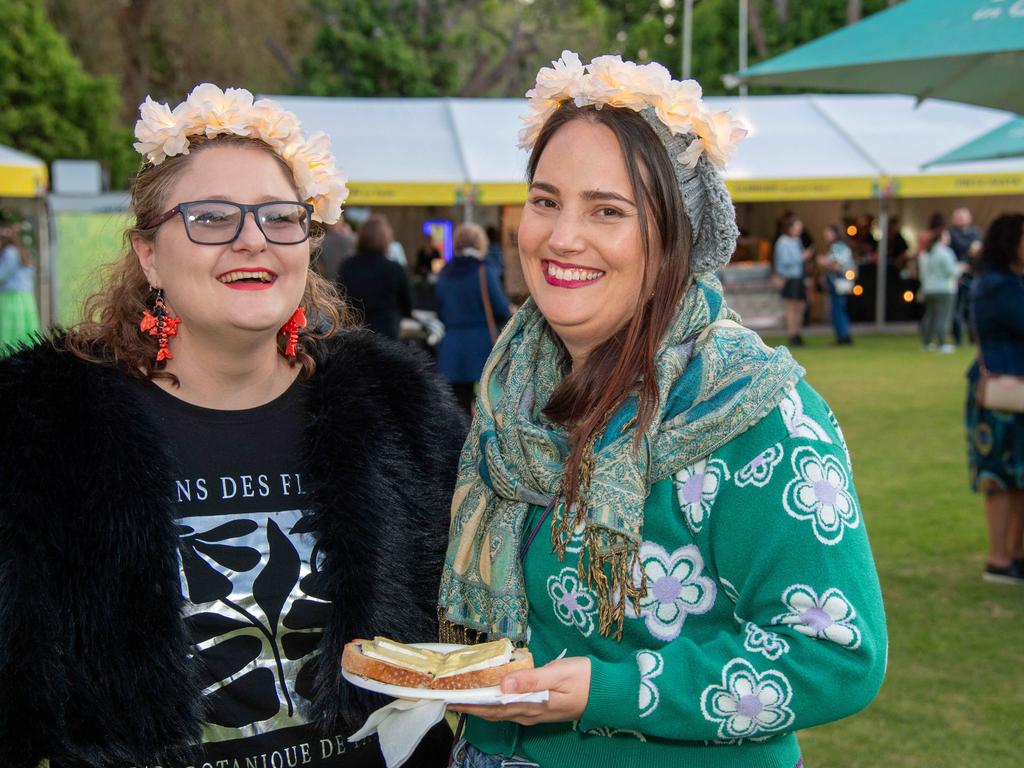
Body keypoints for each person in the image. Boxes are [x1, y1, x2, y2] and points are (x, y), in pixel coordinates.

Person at [438, 52, 887, 768]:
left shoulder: (757, 412)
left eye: (607, 210)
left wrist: (614, 689)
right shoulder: (510, 390)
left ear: (673, 238)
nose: (560, 237)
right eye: (546, 200)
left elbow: (836, 652)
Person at [0, 84, 464, 768]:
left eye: (280, 217)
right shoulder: (42, 429)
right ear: (150, 253)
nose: (252, 240)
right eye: (211, 218)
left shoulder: (398, 415)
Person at [967, 213, 1024, 584]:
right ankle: (999, 558)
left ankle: (1016, 553)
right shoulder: (995, 285)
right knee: (1000, 475)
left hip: (1013, 387)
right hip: (1002, 393)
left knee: (1019, 475)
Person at [435, 222, 512, 414]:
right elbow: (502, 309)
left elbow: (440, 312)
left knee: (457, 409)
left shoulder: (444, 273)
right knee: (487, 407)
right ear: (480, 243)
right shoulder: (484, 270)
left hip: (451, 347)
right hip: (481, 345)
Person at [338, 214, 413, 339]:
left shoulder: (347, 265)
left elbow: (340, 299)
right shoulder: (394, 268)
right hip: (386, 334)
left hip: (355, 334)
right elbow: (407, 306)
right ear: (386, 239)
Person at [0, 221, 40, 353]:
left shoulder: (10, 252)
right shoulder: (21, 251)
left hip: (11, 299)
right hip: (25, 298)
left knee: (8, 337)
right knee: (23, 336)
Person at [919, 227, 960, 353]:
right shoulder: (945, 252)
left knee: (929, 316)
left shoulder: (925, 253)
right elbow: (951, 271)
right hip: (944, 289)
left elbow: (922, 273)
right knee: (943, 317)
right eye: (946, 236)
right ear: (941, 238)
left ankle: (926, 342)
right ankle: (942, 343)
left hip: (929, 289)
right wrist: (961, 268)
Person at [774, 213, 810, 346]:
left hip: (799, 277)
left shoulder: (797, 241)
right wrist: (801, 257)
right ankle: (792, 334)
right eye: (797, 227)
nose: (799, 230)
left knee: (800, 306)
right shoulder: (783, 241)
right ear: (789, 227)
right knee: (791, 307)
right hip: (790, 278)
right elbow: (784, 261)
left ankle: (797, 332)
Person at [949, 207, 983, 346]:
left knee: (972, 309)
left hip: (973, 275)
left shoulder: (976, 232)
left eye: (964, 216)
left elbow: (981, 250)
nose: (961, 219)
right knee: (957, 310)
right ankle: (957, 339)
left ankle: (973, 338)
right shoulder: (950, 233)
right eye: (959, 216)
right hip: (956, 276)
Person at [818, 224, 855, 345]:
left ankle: (843, 336)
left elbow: (837, 264)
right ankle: (843, 334)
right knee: (840, 308)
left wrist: (823, 262)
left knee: (838, 308)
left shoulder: (838, 247)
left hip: (839, 280)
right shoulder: (840, 247)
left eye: (828, 232)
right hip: (838, 280)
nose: (825, 235)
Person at [318, 218, 357, 282]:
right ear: (341, 222)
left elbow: (320, 267)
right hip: (347, 282)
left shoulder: (321, 242)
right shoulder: (351, 239)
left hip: (328, 282)